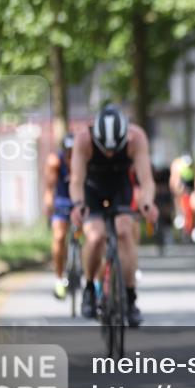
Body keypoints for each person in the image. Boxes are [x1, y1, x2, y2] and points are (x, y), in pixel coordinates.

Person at [69, 104, 158, 327]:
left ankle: (130, 299)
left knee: (124, 232)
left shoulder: (136, 138)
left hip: (120, 188)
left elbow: (146, 180)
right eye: (104, 149)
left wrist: (147, 202)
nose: (109, 154)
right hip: (92, 190)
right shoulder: (83, 140)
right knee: (96, 236)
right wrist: (78, 205)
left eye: (114, 149)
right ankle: (89, 288)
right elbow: (77, 181)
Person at [44, 133, 75, 300]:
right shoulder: (55, 162)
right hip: (62, 202)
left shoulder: (84, 161)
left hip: (81, 202)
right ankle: (58, 278)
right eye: (68, 151)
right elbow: (50, 188)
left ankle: (95, 283)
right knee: (59, 236)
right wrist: (49, 205)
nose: (71, 154)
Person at [170, 153, 195, 242]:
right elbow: (174, 182)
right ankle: (180, 217)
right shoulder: (177, 166)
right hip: (182, 189)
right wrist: (178, 191)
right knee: (180, 204)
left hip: (192, 189)